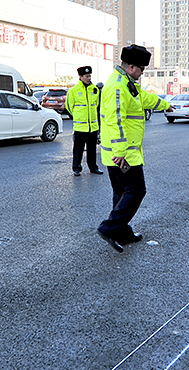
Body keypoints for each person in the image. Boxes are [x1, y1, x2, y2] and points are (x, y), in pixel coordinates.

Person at [96, 45, 172, 253]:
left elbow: (144, 98)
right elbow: (115, 120)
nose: (142, 73)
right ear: (131, 67)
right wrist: (120, 152)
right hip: (123, 154)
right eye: (142, 69)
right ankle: (109, 229)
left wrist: (164, 105)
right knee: (137, 190)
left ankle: (123, 232)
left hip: (120, 153)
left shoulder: (127, 83)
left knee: (121, 193)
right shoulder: (117, 86)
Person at [65, 66, 102, 176]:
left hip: (93, 126)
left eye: (89, 76)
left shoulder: (94, 90)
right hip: (80, 126)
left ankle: (93, 167)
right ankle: (76, 168)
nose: (88, 78)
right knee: (78, 149)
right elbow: (69, 106)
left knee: (92, 149)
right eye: (86, 76)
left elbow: (97, 106)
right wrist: (77, 117)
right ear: (80, 77)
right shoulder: (74, 90)